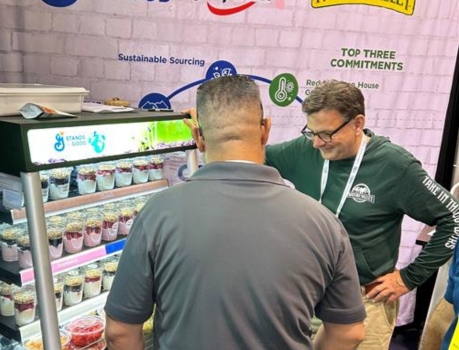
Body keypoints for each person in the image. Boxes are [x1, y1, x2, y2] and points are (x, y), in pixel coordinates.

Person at [104, 75, 366, 350]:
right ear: (265, 130)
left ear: (198, 138)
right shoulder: (324, 223)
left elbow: (120, 332)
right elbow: (348, 333)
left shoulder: (157, 214)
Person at [255, 79, 458, 349]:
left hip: (364, 300)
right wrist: (205, 134)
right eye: (311, 132)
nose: (317, 143)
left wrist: (409, 277)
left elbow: (453, 217)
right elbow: (249, 157)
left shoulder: (395, 166)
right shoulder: (306, 150)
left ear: (357, 123)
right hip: (305, 295)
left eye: (326, 134)